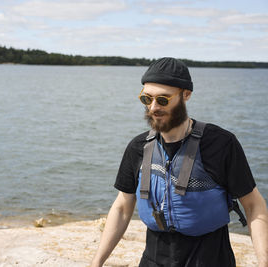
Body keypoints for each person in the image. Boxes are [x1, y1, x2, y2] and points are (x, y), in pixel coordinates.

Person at [90, 57, 268, 267]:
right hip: (154, 259)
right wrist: (97, 262)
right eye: (146, 99)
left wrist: (263, 261)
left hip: (210, 258)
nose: (153, 107)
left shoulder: (221, 144)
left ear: (186, 95)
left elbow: (253, 204)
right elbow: (122, 206)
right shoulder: (138, 147)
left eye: (163, 100)